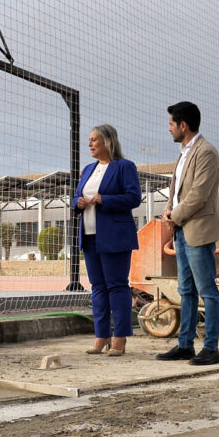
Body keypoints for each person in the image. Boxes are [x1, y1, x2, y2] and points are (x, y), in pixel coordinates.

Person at [156, 101, 219, 366]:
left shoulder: (206, 153)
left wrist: (175, 215)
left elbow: (198, 195)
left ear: (183, 125)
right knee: (186, 290)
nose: (169, 128)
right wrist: (167, 210)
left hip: (197, 230)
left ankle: (211, 348)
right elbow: (176, 190)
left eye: (171, 124)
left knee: (207, 290)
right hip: (182, 230)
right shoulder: (184, 154)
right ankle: (185, 344)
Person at [72, 124, 141, 357]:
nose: (90, 144)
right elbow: (76, 196)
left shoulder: (124, 167)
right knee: (97, 287)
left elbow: (134, 198)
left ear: (108, 141)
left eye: (94, 140)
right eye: (89, 140)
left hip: (115, 236)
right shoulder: (88, 169)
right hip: (90, 235)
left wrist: (105, 199)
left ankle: (120, 337)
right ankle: (101, 336)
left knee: (117, 285)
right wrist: (77, 202)